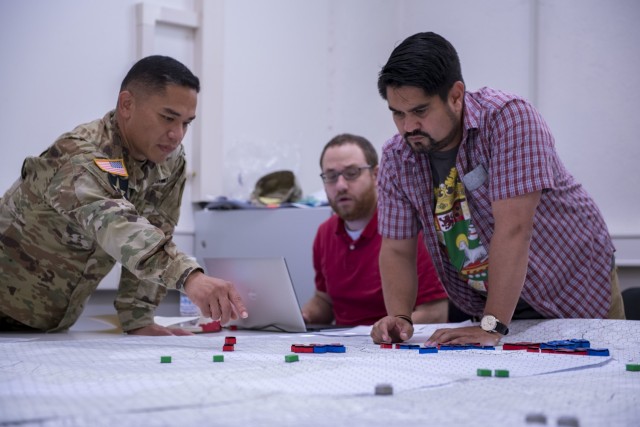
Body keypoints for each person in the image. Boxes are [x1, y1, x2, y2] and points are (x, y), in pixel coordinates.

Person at [370, 32, 625, 345]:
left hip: (572, 285)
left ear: (456, 96)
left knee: (596, 384)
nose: (408, 127)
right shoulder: (397, 156)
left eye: (420, 111)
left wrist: (491, 327)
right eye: (398, 113)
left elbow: (514, 230)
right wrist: (400, 317)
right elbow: (397, 248)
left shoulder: (508, 119)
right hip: (499, 305)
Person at [0, 55, 248, 335]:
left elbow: (157, 230)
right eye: (168, 118)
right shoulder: (79, 155)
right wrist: (189, 276)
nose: (177, 134)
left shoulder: (168, 161)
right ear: (127, 104)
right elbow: (117, 224)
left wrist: (139, 320)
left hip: (45, 328)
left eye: (186, 123)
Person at [301, 133, 448, 327]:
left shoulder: (406, 229)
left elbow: (435, 314)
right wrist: (302, 315)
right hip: (342, 347)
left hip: (393, 347)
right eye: (330, 176)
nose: (341, 185)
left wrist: (386, 329)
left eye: (352, 173)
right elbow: (325, 300)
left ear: (377, 175)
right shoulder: (325, 233)